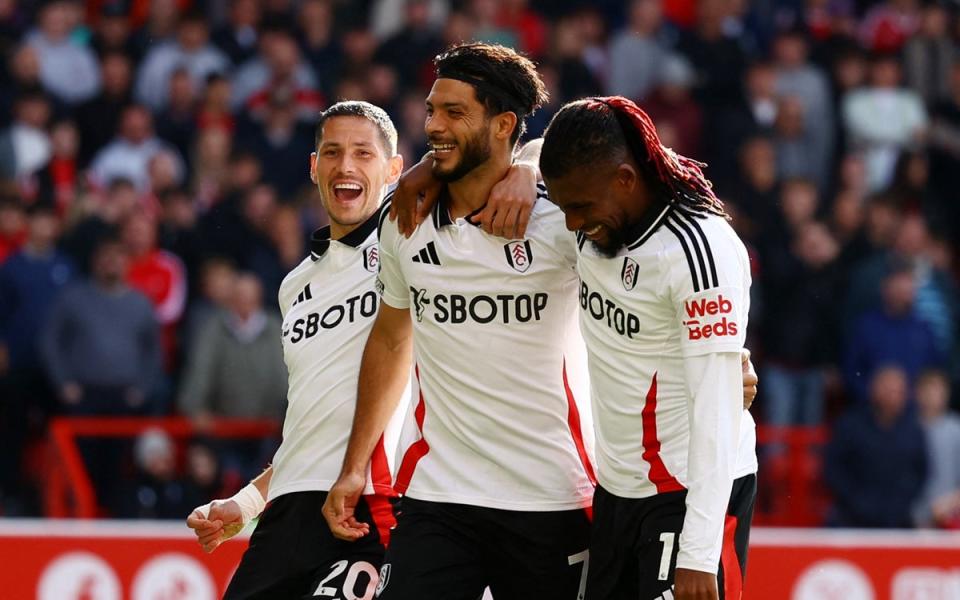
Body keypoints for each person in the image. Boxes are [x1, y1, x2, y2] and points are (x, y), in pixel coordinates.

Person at [324, 44, 758, 600]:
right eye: (433, 110)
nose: (433, 125)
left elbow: (610, 156)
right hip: (439, 490)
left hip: (555, 496)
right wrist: (355, 464)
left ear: (503, 124)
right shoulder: (406, 217)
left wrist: (721, 365)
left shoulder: (565, 213)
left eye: (454, 114)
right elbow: (389, 338)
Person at [538, 96, 756, 600]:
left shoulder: (700, 250)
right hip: (617, 492)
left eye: (580, 208)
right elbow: (535, 157)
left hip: (688, 491)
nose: (570, 223)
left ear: (625, 179)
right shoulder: (594, 218)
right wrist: (524, 172)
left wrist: (698, 553)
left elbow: (718, 411)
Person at [185, 101, 405, 599]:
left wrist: (523, 174)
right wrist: (242, 504)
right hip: (287, 512)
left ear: (394, 169)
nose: (345, 166)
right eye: (332, 152)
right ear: (313, 167)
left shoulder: (410, 241)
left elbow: (503, 158)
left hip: (368, 504)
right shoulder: (294, 285)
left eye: (363, 154)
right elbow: (310, 425)